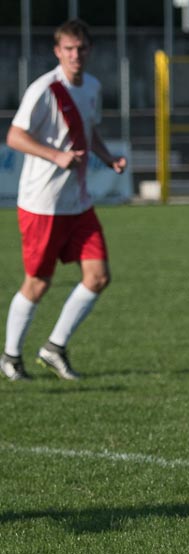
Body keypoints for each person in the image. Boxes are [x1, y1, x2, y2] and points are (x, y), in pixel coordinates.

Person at [1, 19, 127, 382]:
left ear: (89, 50)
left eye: (81, 48)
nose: (75, 55)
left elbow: (89, 130)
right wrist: (55, 155)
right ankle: (10, 356)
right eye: (69, 49)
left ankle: (54, 347)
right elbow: (14, 136)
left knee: (98, 277)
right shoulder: (45, 89)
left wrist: (107, 158)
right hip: (42, 204)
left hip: (79, 203)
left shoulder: (92, 86)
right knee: (38, 283)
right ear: (58, 51)